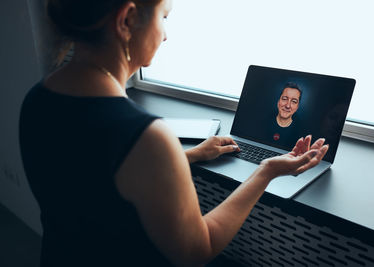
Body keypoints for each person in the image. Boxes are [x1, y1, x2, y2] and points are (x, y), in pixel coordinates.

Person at [19, 0, 329, 266]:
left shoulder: (37, 98)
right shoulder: (147, 137)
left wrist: (191, 154)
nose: (165, 35)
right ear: (126, 20)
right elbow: (197, 251)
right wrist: (265, 172)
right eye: (163, 17)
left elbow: (96, 176)